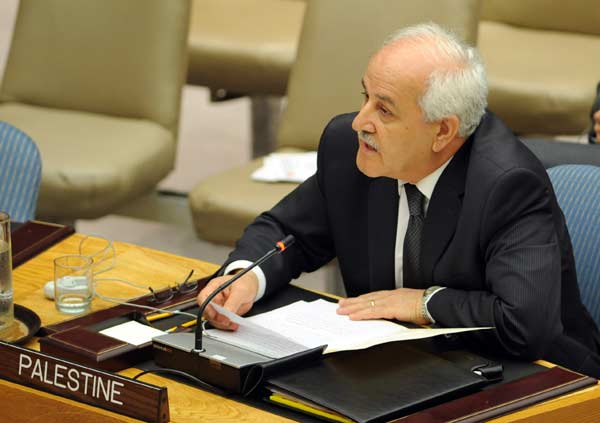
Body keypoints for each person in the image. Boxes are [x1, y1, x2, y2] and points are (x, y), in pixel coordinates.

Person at [197, 23, 600, 377]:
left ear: (443, 132)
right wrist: (247, 274)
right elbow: (290, 233)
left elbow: (525, 324)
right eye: (365, 97)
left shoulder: (507, 184)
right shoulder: (350, 150)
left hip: (535, 380)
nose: (360, 122)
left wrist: (424, 304)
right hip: (395, 368)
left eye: (384, 110)